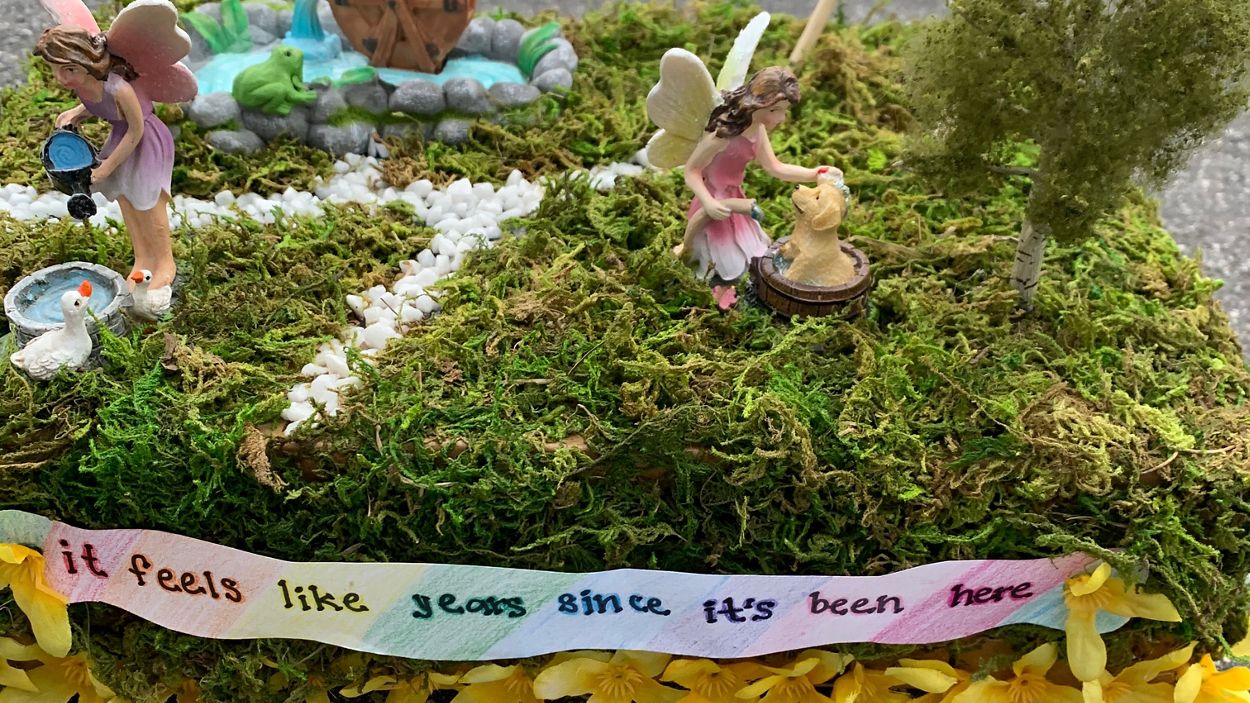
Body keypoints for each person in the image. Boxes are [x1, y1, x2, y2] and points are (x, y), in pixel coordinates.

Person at [677, 67, 841, 309]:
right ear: (757, 104)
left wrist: (813, 173)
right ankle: (715, 289)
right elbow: (691, 171)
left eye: (783, 110)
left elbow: (775, 167)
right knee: (723, 258)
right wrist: (708, 202)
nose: (780, 118)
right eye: (775, 110)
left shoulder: (758, 131)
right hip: (715, 201)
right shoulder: (722, 135)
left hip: (737, 200)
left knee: (755, 251)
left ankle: (740, 289)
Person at [36, 25, 180, 294]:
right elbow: (96, 103)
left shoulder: (119, 88)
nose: (61, 78)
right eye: (54, 70)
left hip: (145, 141)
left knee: (148, 202)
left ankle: (165, 263)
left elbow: (136, 129)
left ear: (87, 62)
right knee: (126, 200)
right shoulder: (84, 83)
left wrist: (107, 167)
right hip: (120, 139)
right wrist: (76, 113)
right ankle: (143, 258)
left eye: (68, 69)